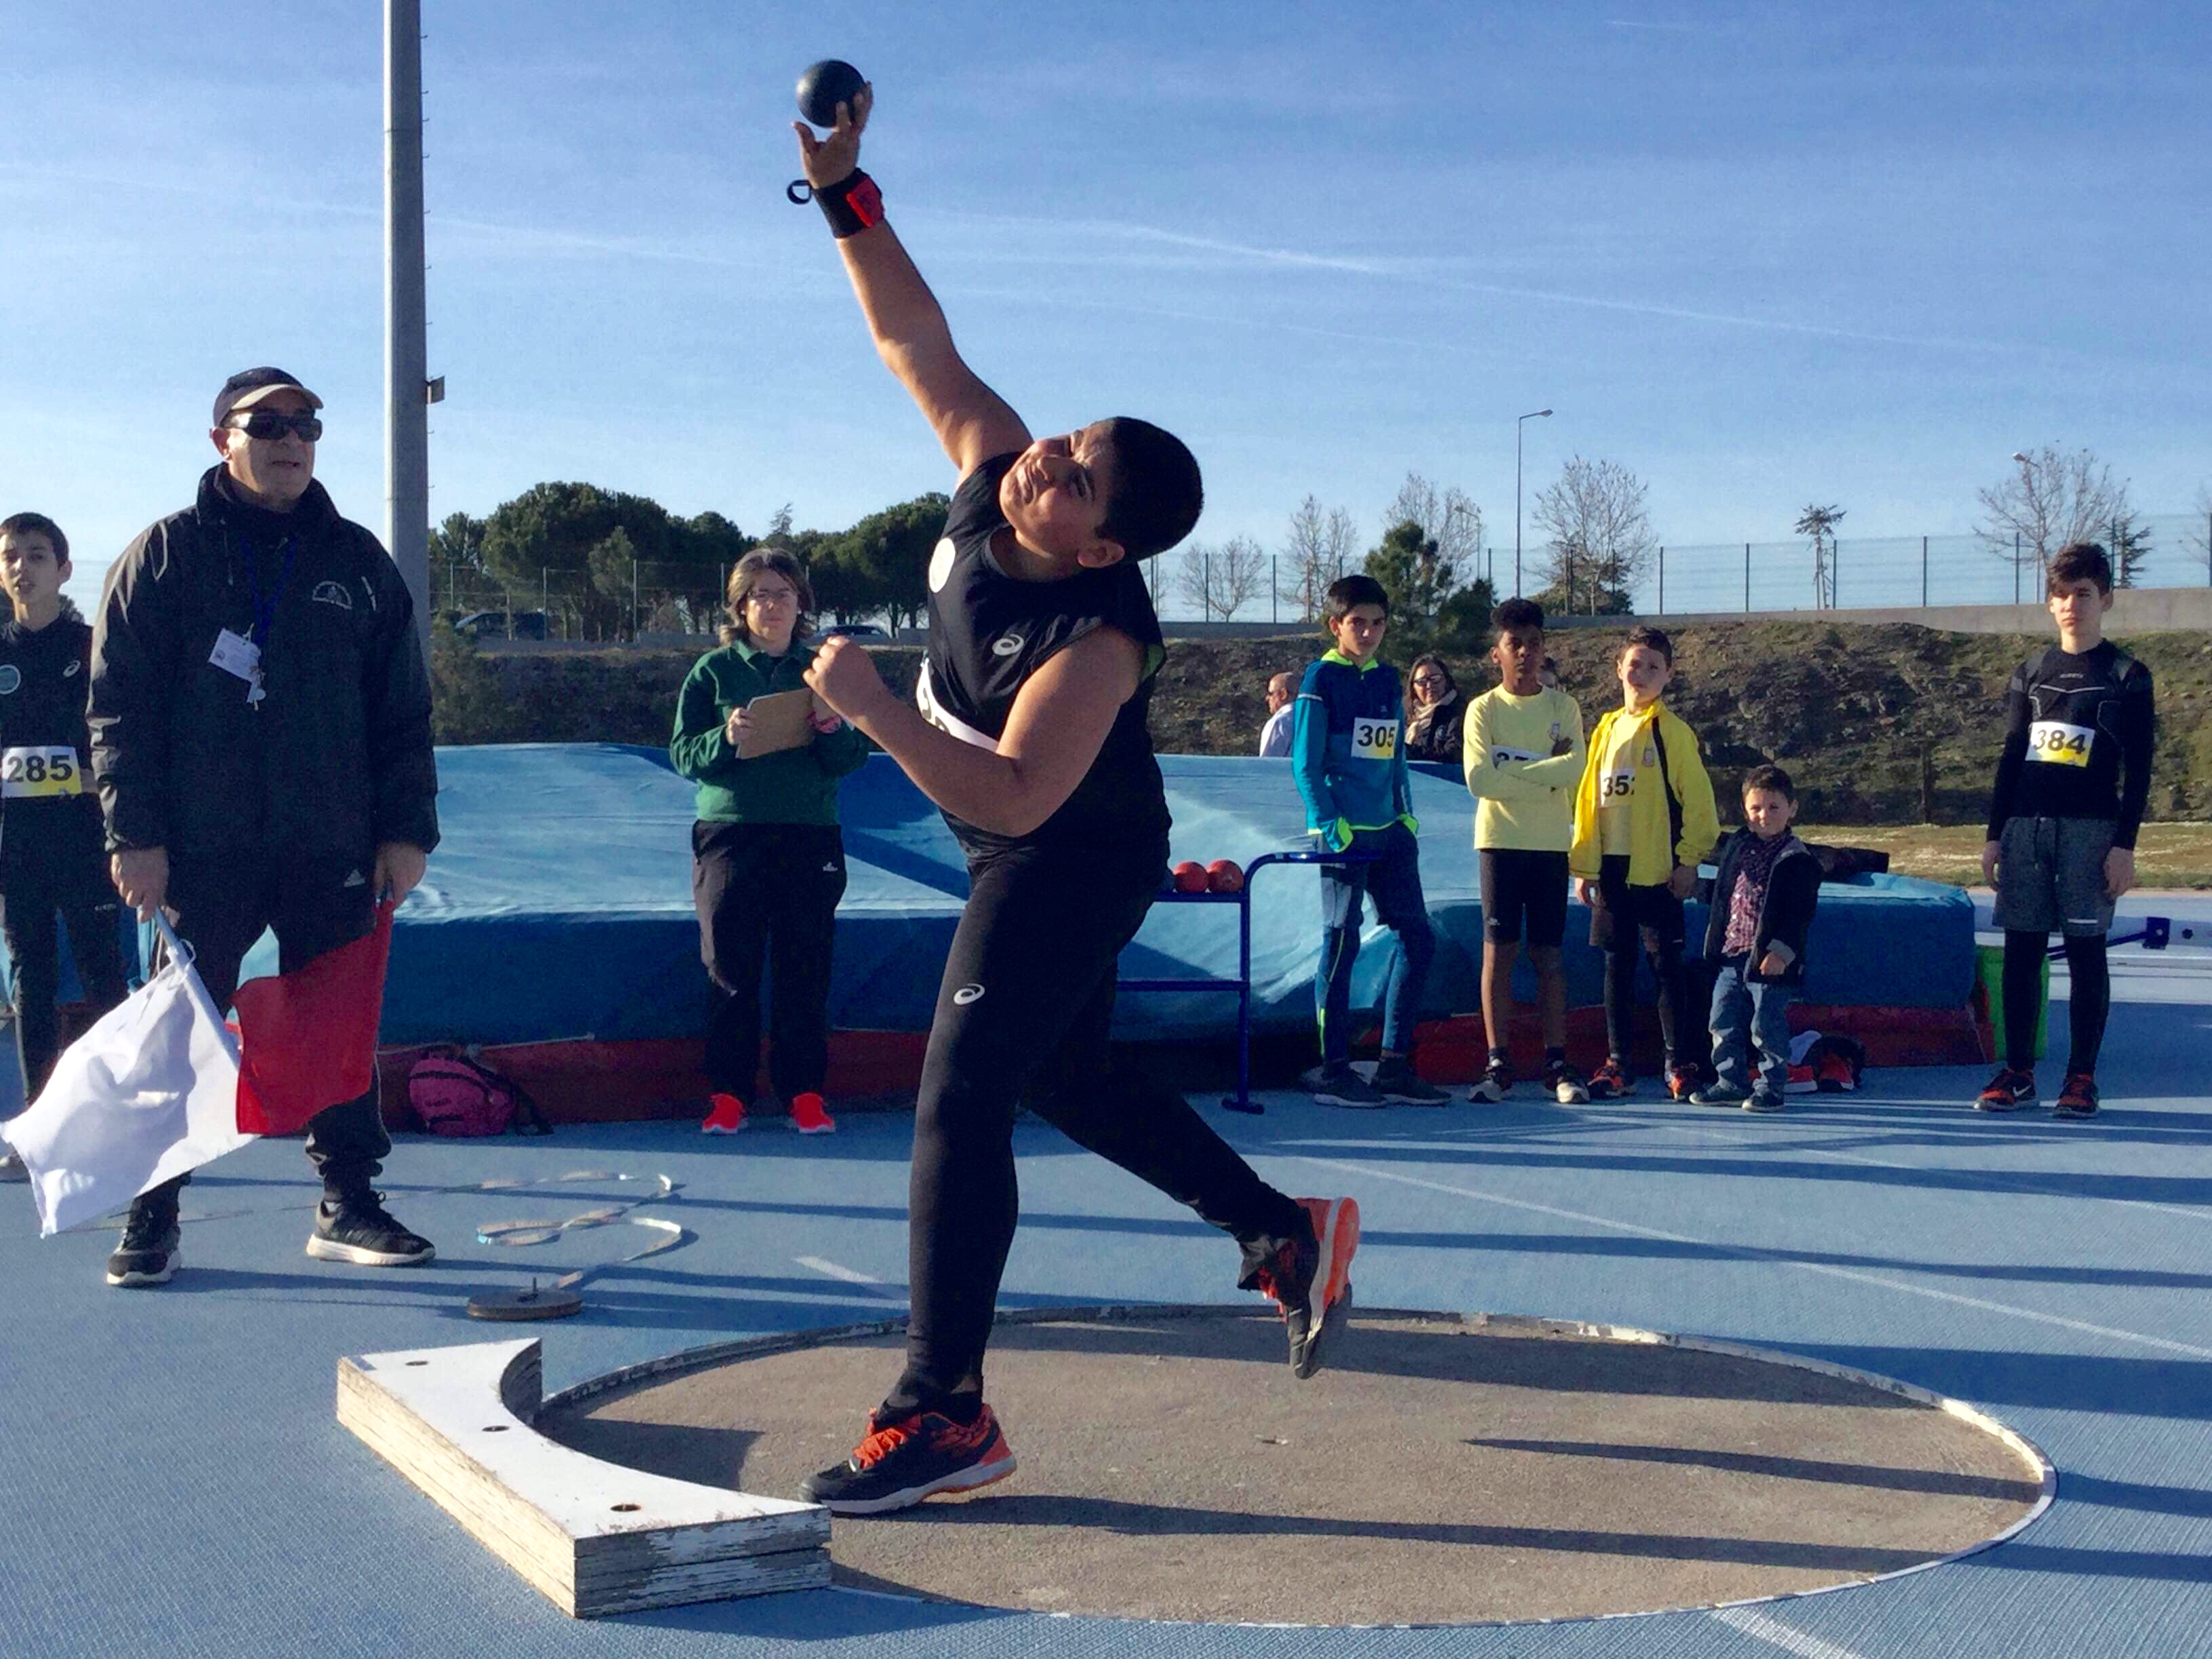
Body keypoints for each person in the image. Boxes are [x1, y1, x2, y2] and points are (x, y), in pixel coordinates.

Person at [785, 86, 1358, 1515]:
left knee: (957, 1104)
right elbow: (915, 340)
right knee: (1062, 1072)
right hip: (1014, 832)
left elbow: (1027, 796)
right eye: (1068, 439)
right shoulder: (994, 479)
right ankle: (1283, 1232)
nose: (1048, 457)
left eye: (1075, 473)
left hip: (1067, 854)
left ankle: (943, 1412)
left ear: (1103, 542)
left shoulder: (1099, 644)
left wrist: (864, 709)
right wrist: (851, 191)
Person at [87, 367, 439, 1286]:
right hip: (202, 845)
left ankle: (349, 1201)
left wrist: (407, 829)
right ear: (222, 440)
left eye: (307, 422)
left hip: (330, 838)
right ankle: (155, 1207)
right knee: (184, 1024)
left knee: (338, 1021)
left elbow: (403, 710)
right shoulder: (163, 557)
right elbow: (118, 709)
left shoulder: (358, 562)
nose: (291, 437)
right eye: (268, 422)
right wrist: (134, 836)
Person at [671, 548, 869, 1136]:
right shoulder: (711, 672)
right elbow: (685, 755)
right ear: (740, 606)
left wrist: (831, 725)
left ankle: (804, 1093)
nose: (773, 605)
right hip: (731, 834)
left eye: (783, 593)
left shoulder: (822, 670)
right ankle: (728, 1096)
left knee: (804, 970)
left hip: (809, 835)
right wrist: (726, 738)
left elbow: (851, 759)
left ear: (800, 602)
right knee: (730, 968)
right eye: (759, 594)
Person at [1976, 542, 2154, 1120]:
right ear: (2049, 604)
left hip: (2091, 833)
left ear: (2105, 599)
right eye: (2061, 594)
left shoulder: (2128, 675)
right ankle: (2018, 1072)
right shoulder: (2029, 674)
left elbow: (2141, 768)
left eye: (2083, 593)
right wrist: (1995, 833)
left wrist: (2124, 846)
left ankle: (2081, 1079)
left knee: (2085, 954)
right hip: (2027, 830)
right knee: (2023, 951)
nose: (2072, 604)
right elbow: (2009, 758)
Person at [0, 514, 129, 1182]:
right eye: (11, 557)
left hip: (87, 845)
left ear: (63, 569)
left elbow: (118, 741)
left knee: (105, 977)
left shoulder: (92, 647)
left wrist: (80, 780)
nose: (24, 567)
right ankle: (36, 1131)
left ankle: (119, 1122)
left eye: (38, 556)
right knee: (32, 985)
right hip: (18, 850)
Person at [1290, 575, 1448, 1108]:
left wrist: (1405, 816)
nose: (1369, 632)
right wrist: (1330, 822)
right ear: (1337, 625)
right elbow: (1305, 763)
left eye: (1378, 623)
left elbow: (1396, 755)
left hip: (1391, 835)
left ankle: (1393, 1065)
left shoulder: (1387, 680)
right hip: (1342, 836)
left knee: (1417, 937)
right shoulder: (1319, 678)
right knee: (1341, 940)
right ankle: (1333, 1068)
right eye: (1358, 622)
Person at [1569, 626, 1719, 1101]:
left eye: (1654, 666)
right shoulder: (1606, 728)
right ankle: (1619, 1065)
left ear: (1669, 675)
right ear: (1619, 669)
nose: (1643, 673)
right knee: (1616, 966)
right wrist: (1585, 865)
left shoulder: (1673, 733)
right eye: (1635, 664)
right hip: (1611, 871)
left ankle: (1679, 1063)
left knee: (1665, 966)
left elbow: (1698, 804)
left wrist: (1689, 860)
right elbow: (1589, 800)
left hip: (1656, 871)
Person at [1462, 599, 1587, 1105]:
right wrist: (1544, 776)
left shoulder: (1564, 708)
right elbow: (1477, 780)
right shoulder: (1482, 710)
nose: (1526, 653)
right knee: (1501, 952)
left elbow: (1574, 770)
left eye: (1534, 644)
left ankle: (1557, 1063)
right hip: (1499, 845)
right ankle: (1499, 1063)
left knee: (1549, 955)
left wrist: (1509, 774)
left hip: (1550, 846)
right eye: (1516, 645)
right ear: (1498, 653)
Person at [1692, 765, 1820, 1114]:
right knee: (1722, 1019)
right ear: (1745, 811)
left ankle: (1771, 1085)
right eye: (1756, 809)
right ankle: (1730, 1082)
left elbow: (1799, 913)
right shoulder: (1737, 846)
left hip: (1769, 961)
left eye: (1774, 808)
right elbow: (1725, 892)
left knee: (1766, 1025)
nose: (1764, 816)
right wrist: (1693, 888)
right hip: (1731, 954)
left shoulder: (1798, 859)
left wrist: (1781, 951)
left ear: (1792, 808)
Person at [1402, 654, 1466, 764]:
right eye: (1422, 681)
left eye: (1435, 679)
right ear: (1413, 687)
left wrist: (1408, 751)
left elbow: (1454, 753)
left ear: (1446, 681)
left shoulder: (1459, 712)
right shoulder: (1403, 714)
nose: (1429, 685)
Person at [1256, 671, 1296, 757]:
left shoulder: (1280, 723)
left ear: (1283, 694)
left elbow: (1268, 765)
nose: (1267, 698)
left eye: (1271, 693)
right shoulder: (1316, 722)